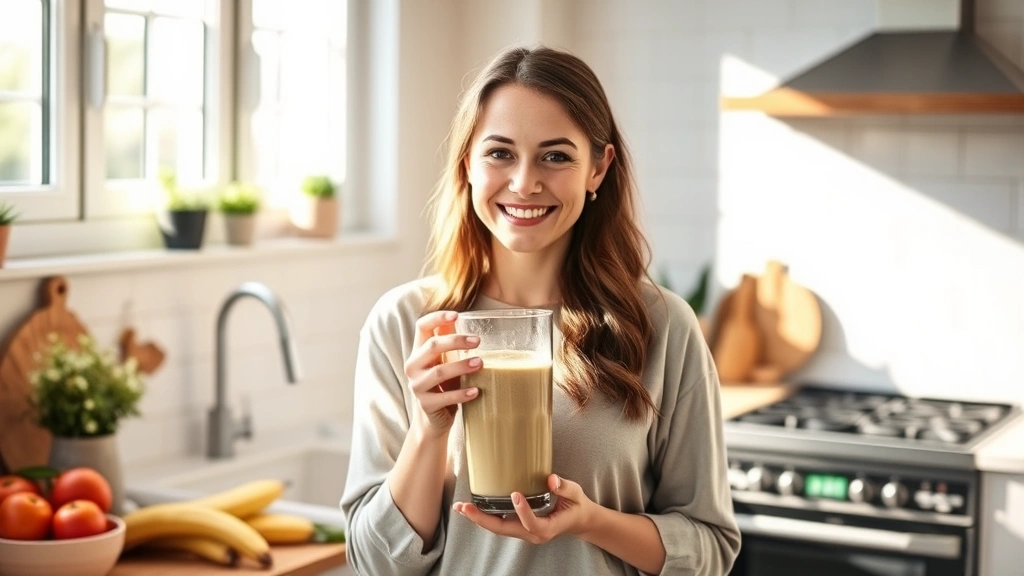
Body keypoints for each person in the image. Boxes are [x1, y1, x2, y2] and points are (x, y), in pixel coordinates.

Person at [340, 45, 740, 576]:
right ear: (467, 164)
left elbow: (709, 549)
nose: (525, 182)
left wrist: (589, 521)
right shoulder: (407, 325)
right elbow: (374, 563)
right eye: (499, 153)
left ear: (598, 168)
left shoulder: (661, 326)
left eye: (556, 156)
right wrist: (428, 431)